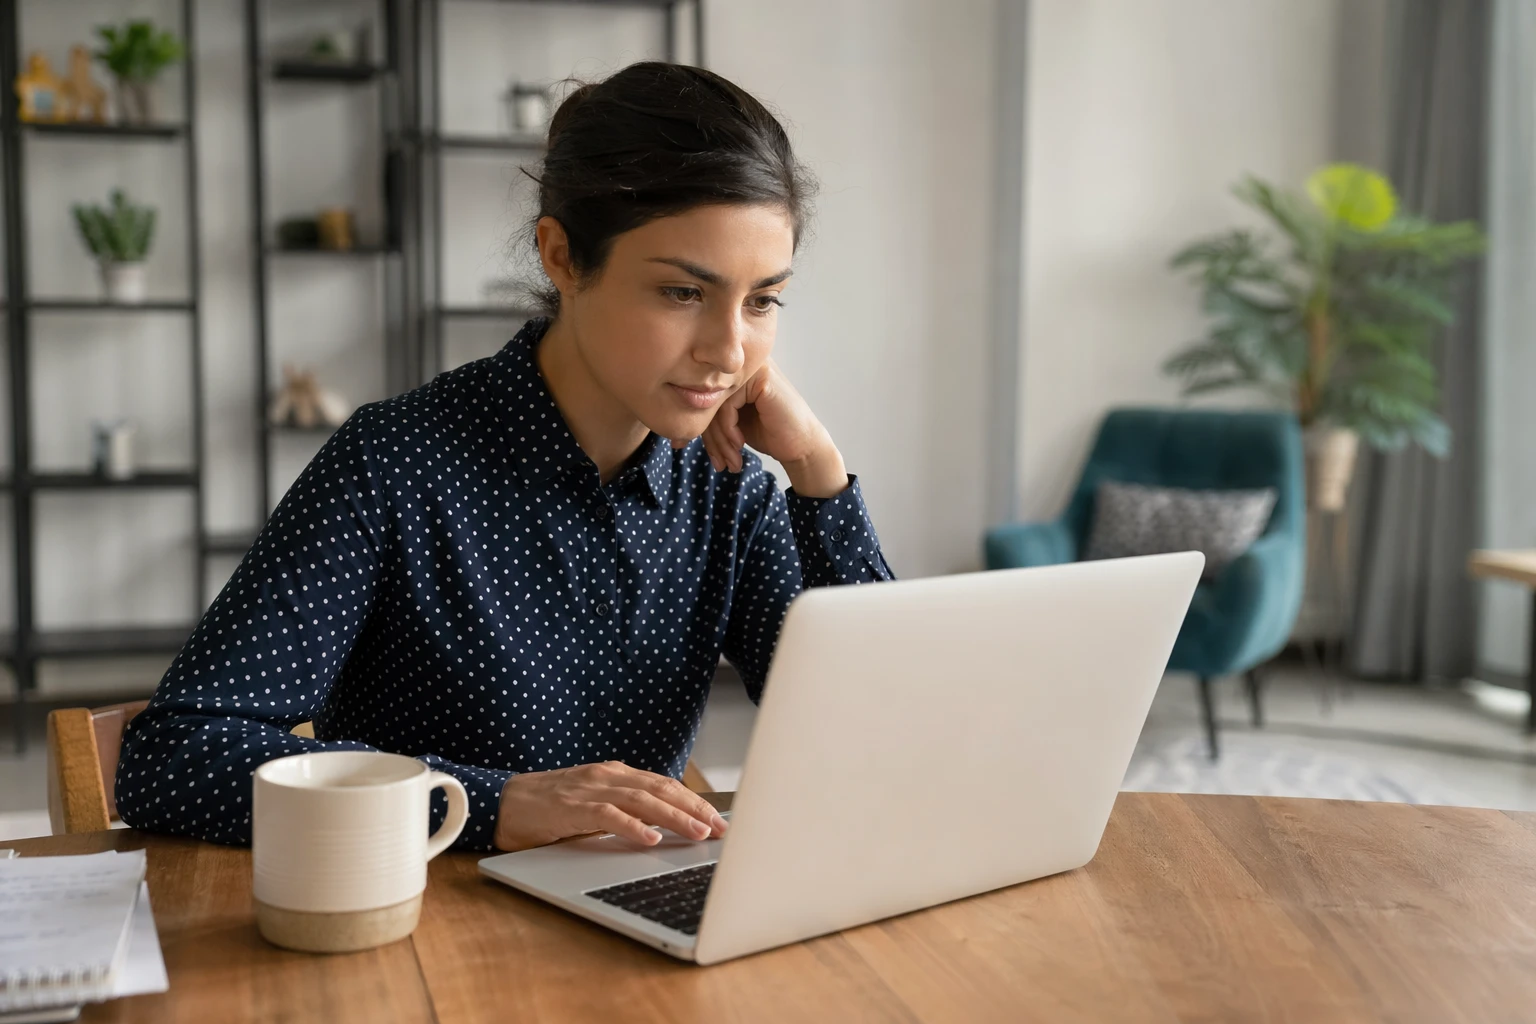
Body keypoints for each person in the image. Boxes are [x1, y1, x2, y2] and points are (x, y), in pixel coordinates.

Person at [116, 61, 895, 853]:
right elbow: (173, 756)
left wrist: (819, 472)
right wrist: (489, 804)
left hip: (639, 933)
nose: (729, 351)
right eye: (682, 293)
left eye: (762, 300)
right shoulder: (393, 464)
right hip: (424, 939)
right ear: (560, 257)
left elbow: (876, 736)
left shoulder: (732, 492)